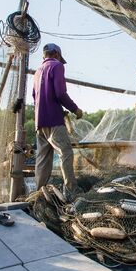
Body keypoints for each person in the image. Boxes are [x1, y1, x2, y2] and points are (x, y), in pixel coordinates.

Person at [32, 43, 83, 201]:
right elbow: (60, 93)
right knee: (66, 153)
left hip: (39, 123)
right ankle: (71, 191)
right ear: (56, 55)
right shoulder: (57, 66)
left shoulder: (37, 71)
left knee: (42, 159)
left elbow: (35, 97)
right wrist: (75, 109)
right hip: (54, 121)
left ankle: (39, 194)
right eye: (60, 58)